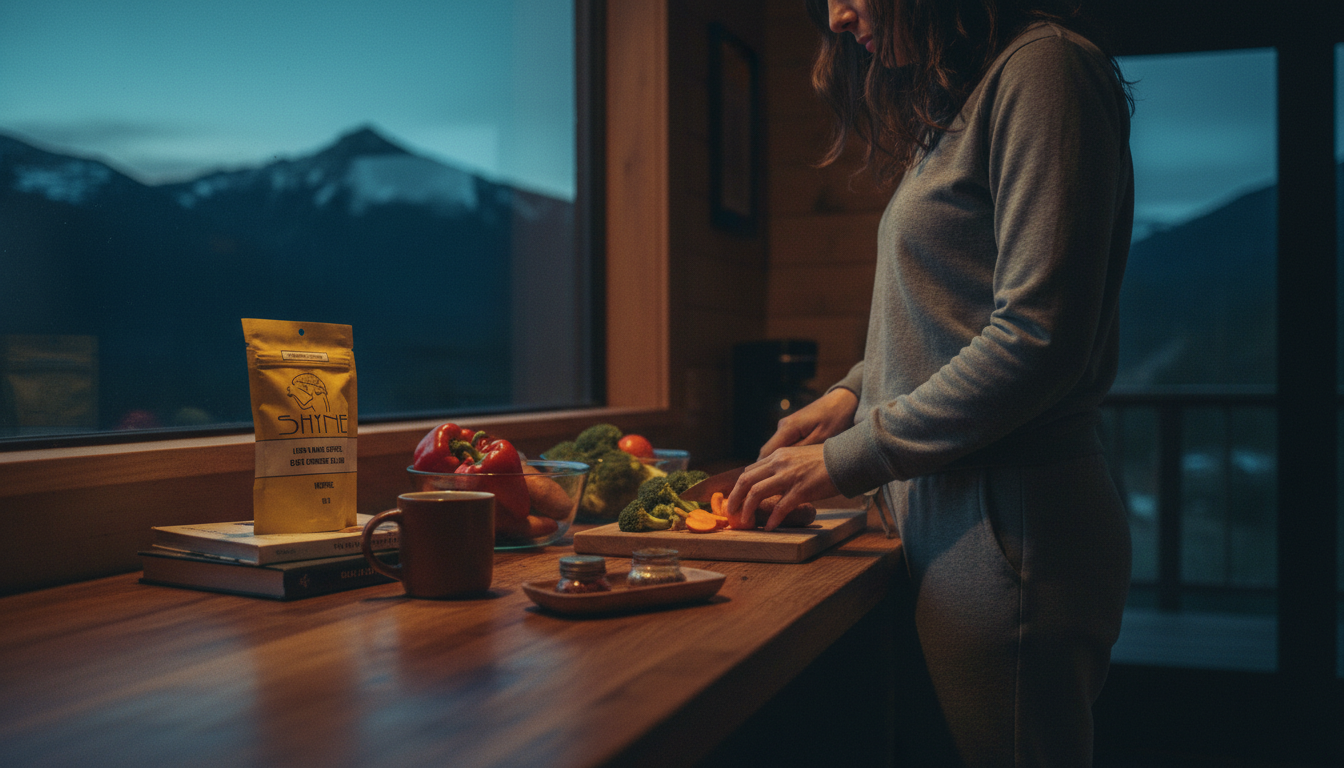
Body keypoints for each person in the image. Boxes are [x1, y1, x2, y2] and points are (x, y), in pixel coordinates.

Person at [723, 0, 1135, 764]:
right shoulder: (973, 96)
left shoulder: (1046, 71)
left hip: (1011, 532)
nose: (839, 16)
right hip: (954, 527)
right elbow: (950, 316)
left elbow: (1037, 341)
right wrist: (850, 393)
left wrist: (847, 457)